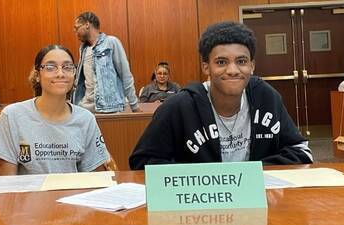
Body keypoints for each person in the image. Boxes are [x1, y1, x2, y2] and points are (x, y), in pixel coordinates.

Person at [129, 21, 313, 170]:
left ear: (252, 65)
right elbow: (141, 162)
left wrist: (251, 176)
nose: (232, 70)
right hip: (200, 209)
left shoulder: (266, 97)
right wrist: (205, 180)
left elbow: (301, 151)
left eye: (241, 61)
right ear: (206, 67)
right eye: (221, 62)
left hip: (256, 202)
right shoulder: (179, 106)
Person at [0, 45, 110, 175]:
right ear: (37, 75)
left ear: (74, 74)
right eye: (50, 67)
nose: (60, 74)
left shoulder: (86, 119)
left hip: (72, 194)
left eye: (67, 67)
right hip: (28, 194)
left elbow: (90, 180)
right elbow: (9, 183)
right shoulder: (12, 116)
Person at [72, 11, 141, 113]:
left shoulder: (111, 42)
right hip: (85, 108)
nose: (75, 31)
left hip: (109, 108)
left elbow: (125, 75)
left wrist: (134, 106)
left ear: (87, 25)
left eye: (76, 27)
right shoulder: (83, 49)